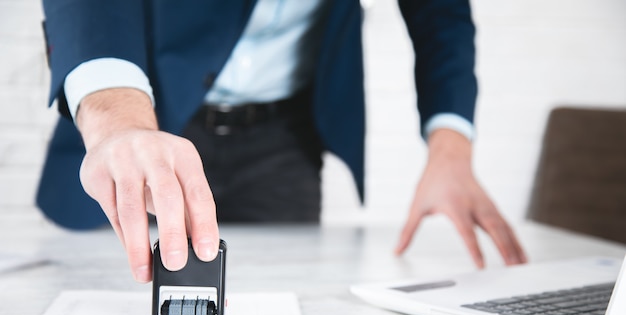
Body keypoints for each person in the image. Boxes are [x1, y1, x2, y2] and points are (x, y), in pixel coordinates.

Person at [37, 0, 526, 283]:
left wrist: (451, 145)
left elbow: (442, 15)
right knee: (101, 297)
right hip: (152, 118)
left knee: (278, 301)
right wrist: (119, 121)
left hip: (282, 138)